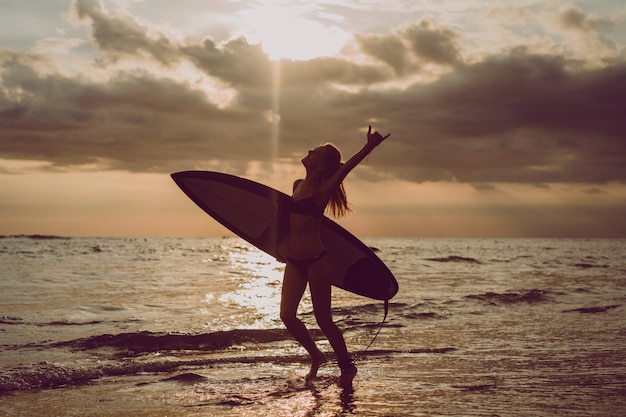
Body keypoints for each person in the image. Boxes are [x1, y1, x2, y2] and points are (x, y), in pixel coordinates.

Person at [278, 125, 390, 386]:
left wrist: (368, 147)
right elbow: (286, 223)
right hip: (294, 261)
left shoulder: (323, 190)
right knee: (287, 316)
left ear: (321, 165)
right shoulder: (297, 185)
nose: (309, 151)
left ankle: (346, 367)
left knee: (323, 319)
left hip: (316, 260)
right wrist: (279, 248)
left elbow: (345, 169)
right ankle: (316, 355)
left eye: (314, 152)